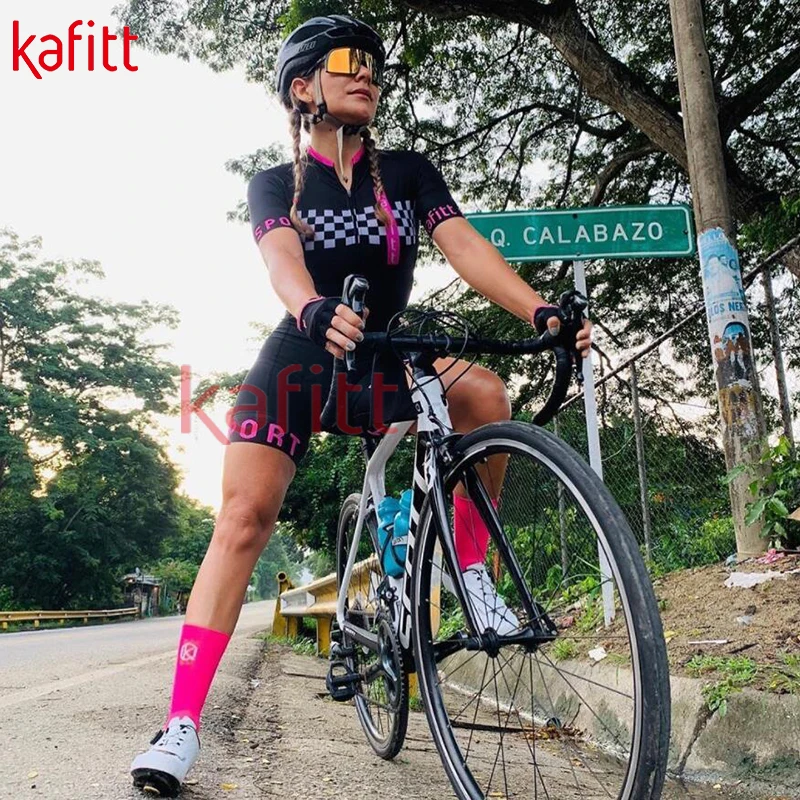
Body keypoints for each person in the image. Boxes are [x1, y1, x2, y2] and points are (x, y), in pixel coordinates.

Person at [130, 14, 592, 796]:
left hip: (385, 348)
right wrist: (310, 306)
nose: (367, 72)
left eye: (375, 63)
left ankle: (469, 572)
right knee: (243, 519)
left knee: (485, 393)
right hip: (307, 349)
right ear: (302, 86)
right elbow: (280, 258)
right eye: (349, 60)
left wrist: (540, 310)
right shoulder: (276, 184)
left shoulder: (407, 173)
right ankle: (180, 724)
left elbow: (464, 245)